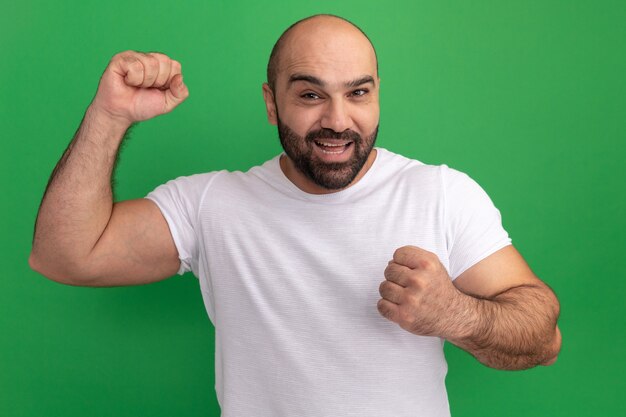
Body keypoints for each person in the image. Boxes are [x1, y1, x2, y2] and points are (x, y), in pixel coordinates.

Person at [30, 14, 561, 417]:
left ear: (377, 95)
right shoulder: (212, 205)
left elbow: (544, 340)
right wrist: (110, 115)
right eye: (310, 94)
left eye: (358, 93)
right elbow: (64, 257)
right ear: (271, 102)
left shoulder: (439, 193)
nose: (338, 119)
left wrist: (455, 315)